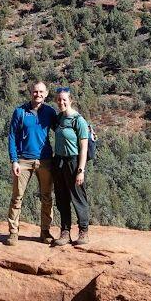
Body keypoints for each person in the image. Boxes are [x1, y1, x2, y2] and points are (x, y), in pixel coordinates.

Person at [5, 78, 56, 245]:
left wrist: (84, 132)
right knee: (17, 197)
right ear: (30, 93)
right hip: (23, 160)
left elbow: (62, 129)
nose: (38, 94)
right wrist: (14, 160)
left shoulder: (49, 112)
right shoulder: (20, 111)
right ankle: (13, 232)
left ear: (46, 94)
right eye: (35, 91)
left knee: (47, 197)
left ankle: (45, 232)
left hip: (45, 160)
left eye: (41, 92)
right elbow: (12, 136)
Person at [45, 85, 93, 246]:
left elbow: (84, 147)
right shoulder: (59, 119)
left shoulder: (78, 120)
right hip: (58, 161)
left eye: (64, 99)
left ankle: (83, 232)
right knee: (62, 198)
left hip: (73, 162)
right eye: (58, 100)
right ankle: (65, 232)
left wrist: (81, 170)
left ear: (70, 100)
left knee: (78, 197)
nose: (61, 102)